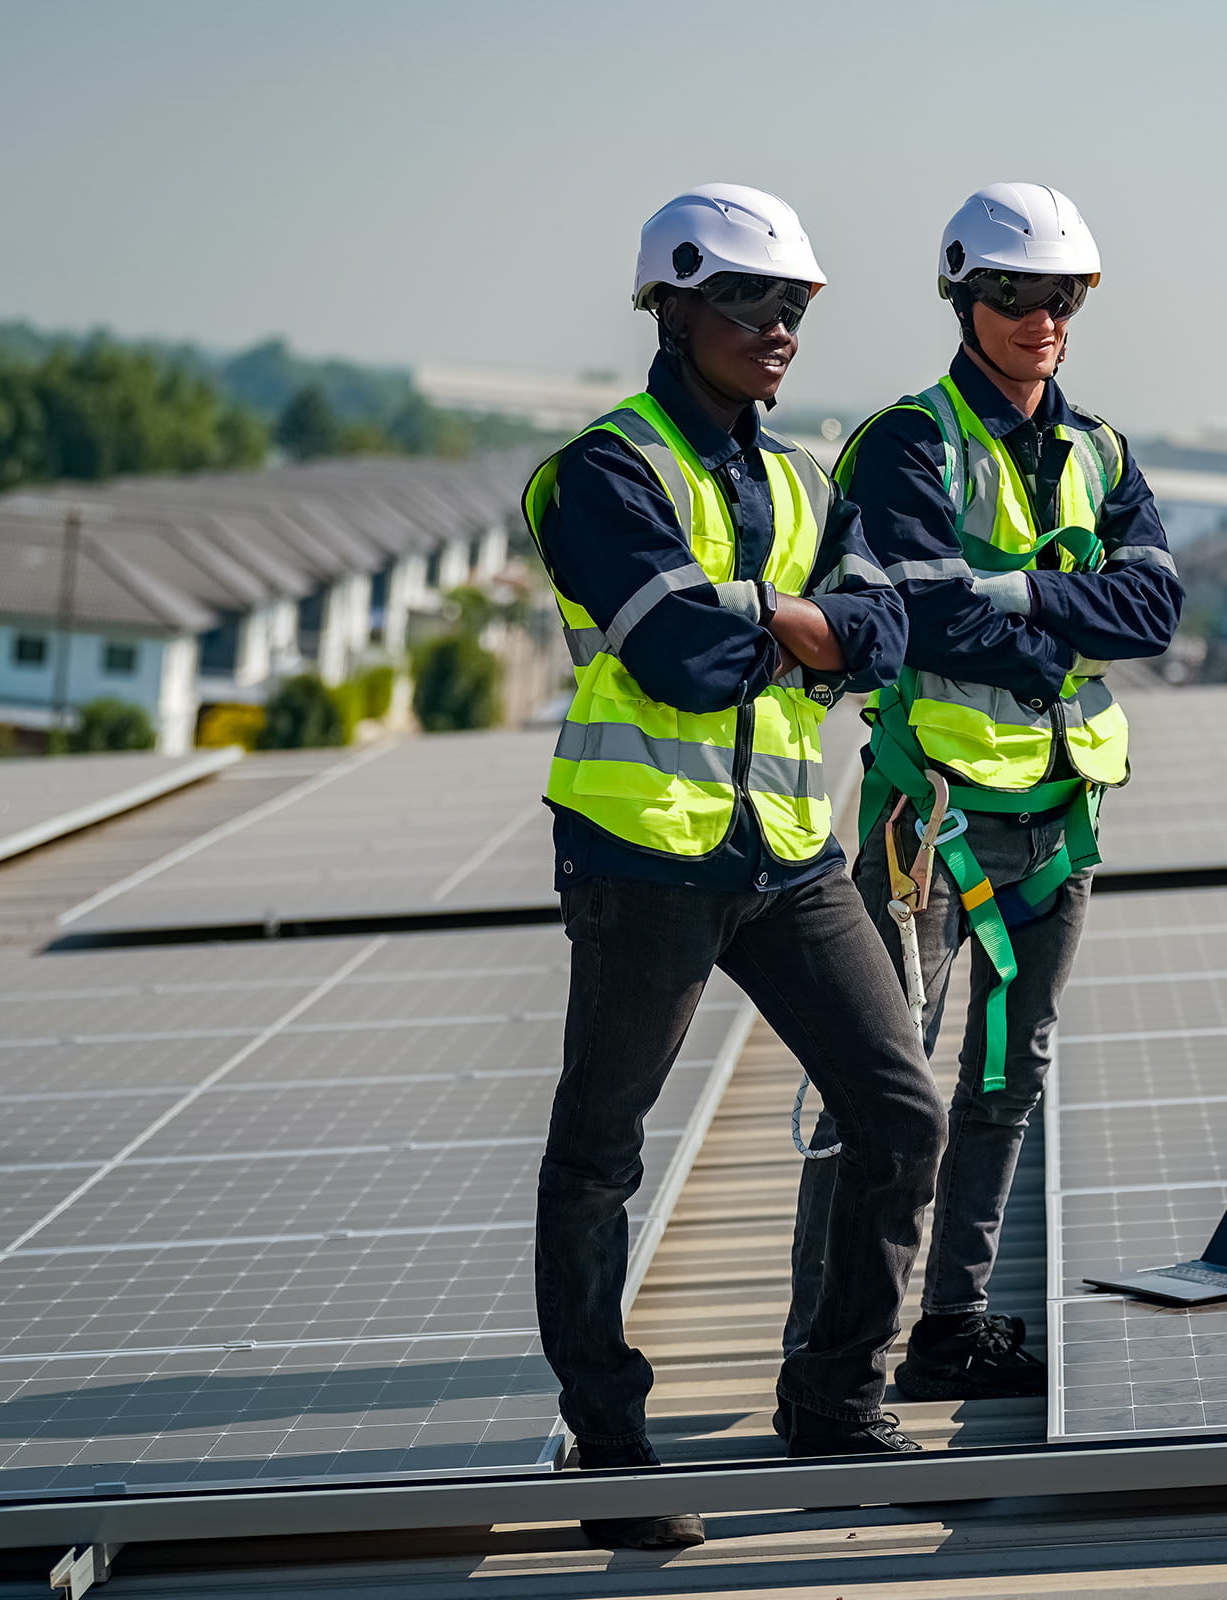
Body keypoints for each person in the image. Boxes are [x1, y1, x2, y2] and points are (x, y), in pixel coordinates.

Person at [522, 184, 947, 1551]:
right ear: (676, 304)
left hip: (788, 858)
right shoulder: (604, 473)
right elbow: (680, 661)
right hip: (642, 858)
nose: (781, 328)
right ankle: (611, 1443)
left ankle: (830, 1403)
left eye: (798, 307)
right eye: (757, 303)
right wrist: (796, 619)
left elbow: (886, 635)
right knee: (600, 1154)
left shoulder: (806, 477)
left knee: (901, 1116)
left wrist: (770, 615)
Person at [787, 182, 1183, 1402]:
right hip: (934, 823)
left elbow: (1156, 611)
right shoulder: (908, 443)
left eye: (1064, 294)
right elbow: (928, 615)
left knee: (1009, 1076)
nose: (1043, 316)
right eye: (1016, 292)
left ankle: (950, 1324)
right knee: (882, 1085)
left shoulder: (1100, 449)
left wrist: (1020, 599)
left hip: (1059, 824)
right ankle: (829, 1341)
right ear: (966, 296)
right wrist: (1067, 608)